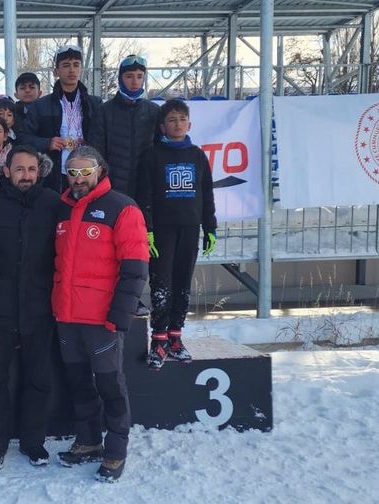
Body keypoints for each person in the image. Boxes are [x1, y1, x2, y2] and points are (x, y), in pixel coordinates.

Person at [52, 146, 148, 483]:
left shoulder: (122, 208)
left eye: (85, 171)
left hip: (102, 319)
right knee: (79, 384)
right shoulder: (62, 209)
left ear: (100, 171)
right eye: (72, 172)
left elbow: (135, 269)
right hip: (67, 316)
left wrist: (119, 317)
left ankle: (115, 449)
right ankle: (89, 440)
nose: (78, 179)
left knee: (110, 386)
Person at [0, 145, 59, 470]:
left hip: (39, 306)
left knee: (37, 377)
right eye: (19, 169)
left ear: (40, 172)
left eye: (31, 169)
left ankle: (33, 442)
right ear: (6, 171)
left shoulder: (52, 203)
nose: (26, 175)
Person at [136, 100, 217, 370]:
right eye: (172, 120)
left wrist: (211, 228)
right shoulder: (152, 156)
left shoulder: (197, 156)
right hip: (162, 232)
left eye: (182, 119)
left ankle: (175, 338)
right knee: (162, 286)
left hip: (190, 229)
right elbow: (145, 197)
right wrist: (146, 231)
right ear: (162, 126)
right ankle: (157, 340)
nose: (177, 124)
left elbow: (207, 195)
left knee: (182, 285)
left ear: (190, 124)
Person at [18, 45, 104, 193]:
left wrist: (89, 143)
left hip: (87, 173)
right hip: (54, 176)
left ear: (81, 69)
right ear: (56, 71)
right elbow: (22, 138)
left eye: (76, 65)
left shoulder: (95, 104)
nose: (72, 70)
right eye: (66, 65)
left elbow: (104, 138)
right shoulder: (40, 106)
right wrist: (47, 143)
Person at [101, 54, 161, 199]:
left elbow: (160, 149)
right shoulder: (104, 111)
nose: (135, 81)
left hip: (146, 185)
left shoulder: (154, 111)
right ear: (120, 78)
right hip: (113, 186)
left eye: (140, 76)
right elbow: (97, 150)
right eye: (129, 76)